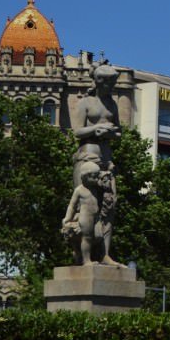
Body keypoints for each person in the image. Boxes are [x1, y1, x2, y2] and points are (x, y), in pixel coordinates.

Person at [68, 61, 123, 266]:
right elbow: (76, 132)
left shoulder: (112, 104)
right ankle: (83, 256)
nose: (111, 87)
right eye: (108, 83)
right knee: (87, 207)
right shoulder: (85, 103)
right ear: (99, 82)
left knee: (109, 206)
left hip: (106, 159)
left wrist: (111, 133)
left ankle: (106, 254)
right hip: (87, 158)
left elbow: (118, 131)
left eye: (113, 83)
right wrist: (97, 129)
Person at [61, 162, 106, 265]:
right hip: (86, 217)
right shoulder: (79, 190)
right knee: (87, 238)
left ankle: (79, 253)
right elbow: (72, 206)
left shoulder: (94, 188)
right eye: (94, 177)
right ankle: (86, 260)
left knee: (99, 236)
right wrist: (68, 218)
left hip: (96, 216)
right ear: (85, 177)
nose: (96, 180)